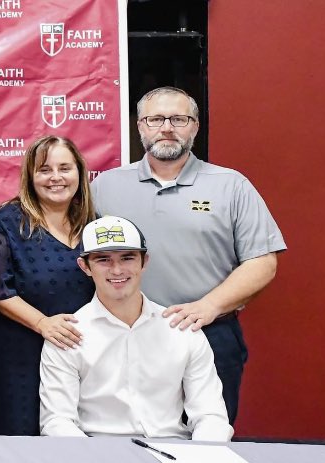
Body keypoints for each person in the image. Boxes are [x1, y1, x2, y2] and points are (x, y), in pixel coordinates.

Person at [91, 86, 286, 424]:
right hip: (124, 336)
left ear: (195, 126)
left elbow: (263, 261)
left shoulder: (230, 185)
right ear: (140, 126)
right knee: (126, 441)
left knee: (209, 442)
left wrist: (208, 306)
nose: (166, 128)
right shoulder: (104, 187)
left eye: (178, 119)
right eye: (155, 119)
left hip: (208, 333)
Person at [39, 215, 233, 441]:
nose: (117, 270)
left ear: (144, 262)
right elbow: (57, 421)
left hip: (175, 453)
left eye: (127, 258)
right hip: (98, 455)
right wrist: (91, 462)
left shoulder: (180, 328)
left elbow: (211, 415)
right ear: (85, 266)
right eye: (103, 260)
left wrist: (201, 460)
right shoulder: (67, 333)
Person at [0, 136, 97, 436]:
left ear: (80, 173)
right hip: (15, 353)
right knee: (17, 440)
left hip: (74, 352)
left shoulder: (93, 225)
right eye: (44, 169)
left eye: (65, 168)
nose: (56, 178)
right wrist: (42, 323)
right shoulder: (6, 222)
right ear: (30, 176)